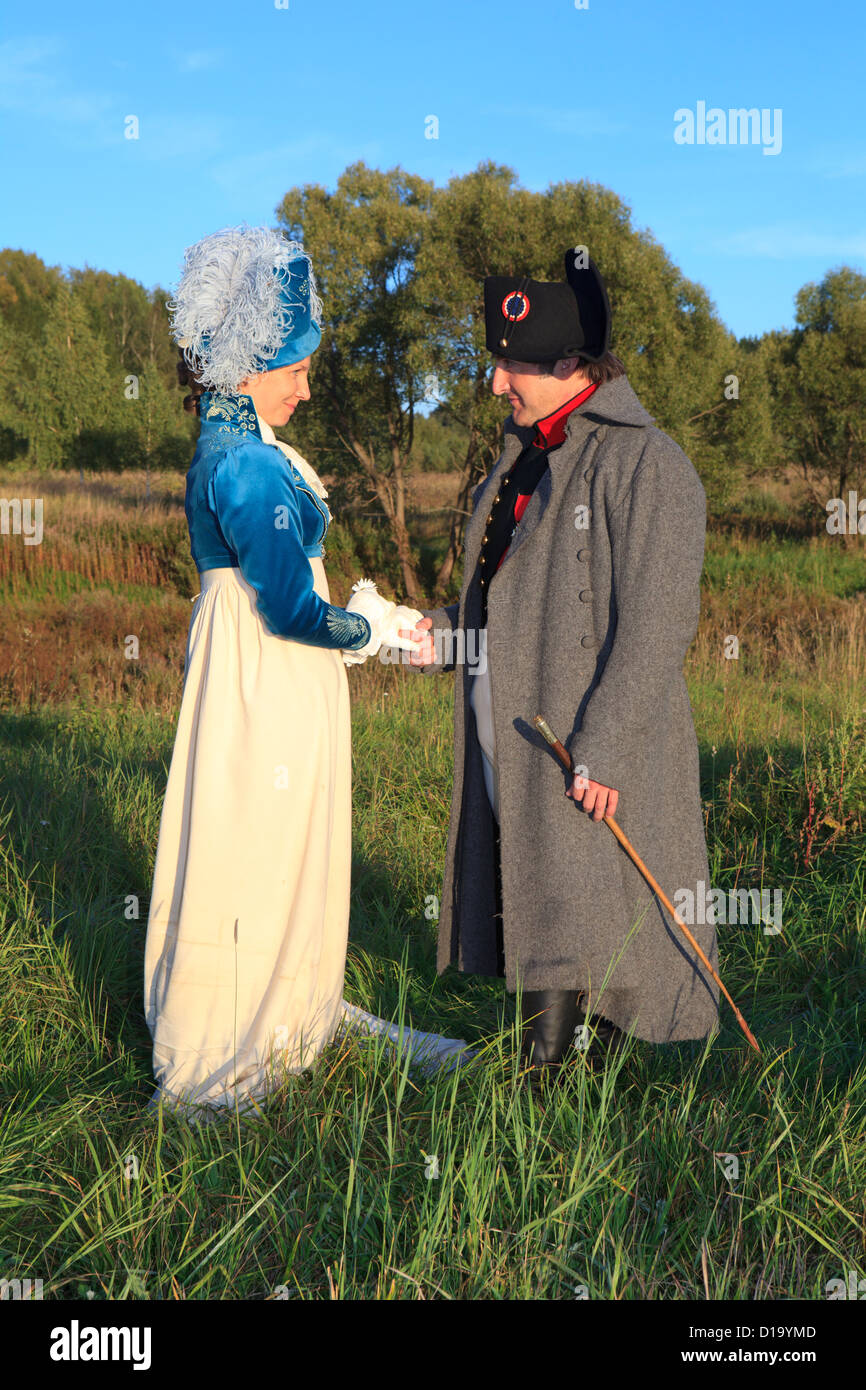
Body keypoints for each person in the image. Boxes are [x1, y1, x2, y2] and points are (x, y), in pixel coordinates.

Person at [144, 224, 468, 1119]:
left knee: (268, 832)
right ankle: (232, 1042)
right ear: (246, 364)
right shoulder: (245, 463)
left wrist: (364, 618)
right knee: (257, 837)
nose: (307, 385)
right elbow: (288, 607)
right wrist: (370, 627)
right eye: (294, 367)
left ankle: (290, 1008)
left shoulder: (236, 444)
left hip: (259, 664)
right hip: (266, 667)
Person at [400, 248, 720, 1083]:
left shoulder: (650, 466)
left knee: (589, 896)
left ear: (570, 366)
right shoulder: (519, 461)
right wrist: (432, 634)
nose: (496, 384)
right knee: (543, 888)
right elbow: (495, 597)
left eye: (512, 367)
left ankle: (566, 1091)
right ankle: (554, 1078)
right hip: (514, 722)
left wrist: (604, 745)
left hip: (587, 735)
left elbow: (657, 623)